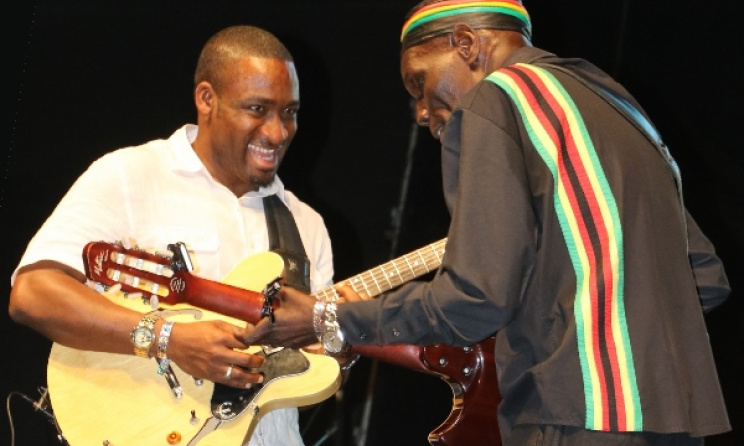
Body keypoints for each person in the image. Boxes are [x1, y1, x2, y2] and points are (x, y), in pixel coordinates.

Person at [244, 1, 732, 445]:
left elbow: (474, 299)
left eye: (419, 82)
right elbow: (705, 276)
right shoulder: (617, 104)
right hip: (675, 423)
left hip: (575, 418)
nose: (418, 111)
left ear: (466, 44)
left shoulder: (495, 97)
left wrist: (328, 319)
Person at [9, 25, 339, 446]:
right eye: (258, 109)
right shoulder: (131, 175)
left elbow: (294, 379)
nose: (277, 132)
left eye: (289, 112)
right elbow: (32, 294)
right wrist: (168, 339)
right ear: (206, 99)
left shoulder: (305, 223)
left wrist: (339, 348)